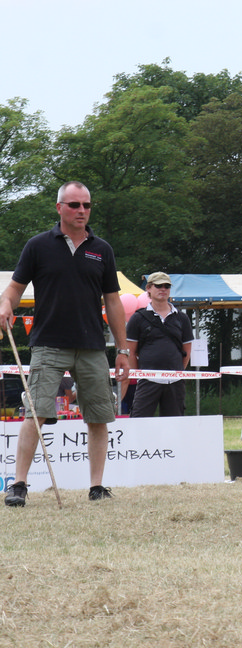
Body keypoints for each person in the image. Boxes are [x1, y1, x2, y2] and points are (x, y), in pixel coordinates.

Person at [1, 181, 131, 506]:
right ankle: (18, 485)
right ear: (59, 207)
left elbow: (113, 301)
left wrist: (123, 349)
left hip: (92, 346)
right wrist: (5, 305)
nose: (81, 211)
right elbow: (15, 288)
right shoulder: (38, 245)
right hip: (48, 343)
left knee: (98, 417)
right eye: (74, 205)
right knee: (35, 413)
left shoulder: (102, 249)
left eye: (86, 205)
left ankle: (97, 487)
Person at [125, 272, 193, 417]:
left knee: (174, 425)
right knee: (138, 421)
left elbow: (186, 352)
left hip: (175, 381)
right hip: (147, 380)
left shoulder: (182, 318)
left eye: (167, 286)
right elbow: (130, 352)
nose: (163, 289)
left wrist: (177, 371)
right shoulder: (138, 318)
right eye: (159, 285)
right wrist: (140, 374)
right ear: (148, 288)